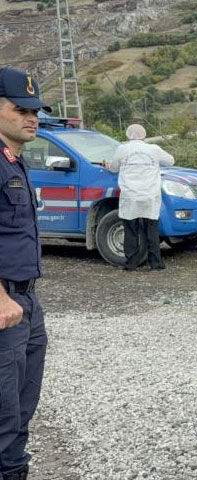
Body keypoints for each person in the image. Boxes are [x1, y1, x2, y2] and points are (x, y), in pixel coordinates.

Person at [0, 66, 52, 480]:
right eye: (21, 108)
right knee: (3, 417)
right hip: (4, 304)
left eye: (35, 109)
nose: (31, 116)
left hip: (25, 300)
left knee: (20, 410)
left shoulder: (14, 161)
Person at [106, 124, 174, 271]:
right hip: (150, 195)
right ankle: (155, 263)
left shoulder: (122, 149)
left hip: (130, 196)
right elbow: (171, 161)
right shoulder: (153, 149)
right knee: (151, 229)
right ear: (144, 135)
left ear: (128, 135)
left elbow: (113, 168)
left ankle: (131, 263)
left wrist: (107, 164)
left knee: (130, 229)